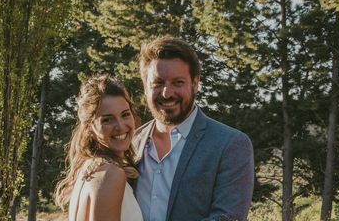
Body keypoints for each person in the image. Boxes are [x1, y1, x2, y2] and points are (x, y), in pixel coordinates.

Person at [132, 35, 254, 221]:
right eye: (158, 83)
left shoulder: (230, 144)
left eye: (177, 83)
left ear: (195, 84)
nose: (167, 92)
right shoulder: (131, 143)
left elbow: (228, 217)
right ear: (145, 87)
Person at [55, 75, 144, 221]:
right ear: (90, 127)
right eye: (107, 120)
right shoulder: (110, 174)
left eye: (125, 115)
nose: (120, 126)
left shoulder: (88, 169)